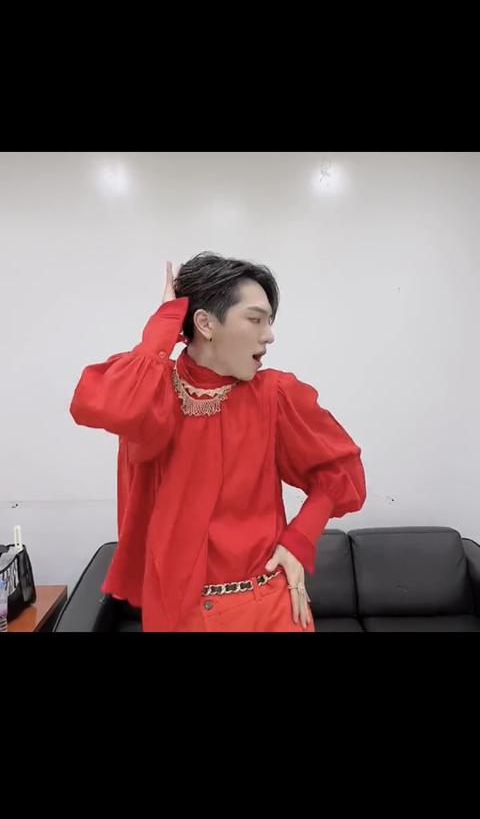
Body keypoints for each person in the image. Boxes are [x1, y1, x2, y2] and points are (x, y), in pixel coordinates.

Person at [70, 253, 366, 632]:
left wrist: (299, 540)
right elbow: (102, 406)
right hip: (177, 614)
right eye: (255, 319)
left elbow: (340, 472)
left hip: (266, 605)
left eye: (269, 321)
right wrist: (165, 322)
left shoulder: (275, 395)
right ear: (206, 324)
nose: (269, 335)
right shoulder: (153, 394)